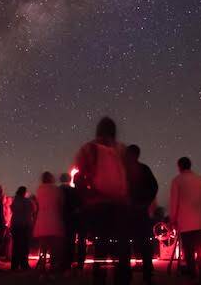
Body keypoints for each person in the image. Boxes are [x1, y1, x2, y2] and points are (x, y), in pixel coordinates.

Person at [74, 116, 131, 285]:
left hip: (98, 204)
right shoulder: (121, 149)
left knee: (101, 245)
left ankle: (99, 278)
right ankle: (122, 279)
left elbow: (79, 176)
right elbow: (129, 175)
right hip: (120, 204)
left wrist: (87, 196)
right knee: (122, 246)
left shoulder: (88, 148)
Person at [169, 157, 201, 282]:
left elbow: (174, 202)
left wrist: (173, 220)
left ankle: (192, 274)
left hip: (186, 222)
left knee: (189, 251)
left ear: (179, 166)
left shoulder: (177, 180)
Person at [124, 144, 158, 284]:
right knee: (145, 244)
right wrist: (146, 202)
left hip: (127, 211)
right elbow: (154, 187)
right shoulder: (144, 169)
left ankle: (126, 275)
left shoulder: (124, 170)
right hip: (141, 211)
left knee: (125, 244)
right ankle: (147, 275)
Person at [33, 172, 65, 276]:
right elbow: (61, 203)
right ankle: (52, 269)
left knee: (43, 248)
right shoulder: (56, 190)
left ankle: (42, 269)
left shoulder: (39, 190)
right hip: (54, 220)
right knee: (54, 249)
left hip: (42, 221)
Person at [58, 172, 81, 271]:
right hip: (71, 219)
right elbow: (76, 206)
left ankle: (60, 262)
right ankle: (68, 262)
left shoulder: (57, 191)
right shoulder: (73, 191)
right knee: (70, 241)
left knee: (61, 241)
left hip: (59, 218)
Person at [10, 186, 33, 271]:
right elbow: (32, 210)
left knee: (16, 245)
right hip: (24, 225)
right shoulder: (27, 201)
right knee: (24, 246)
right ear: (24, 192)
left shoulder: (14, 201)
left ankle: (14, 265)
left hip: (16, 225)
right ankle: (24, 264)